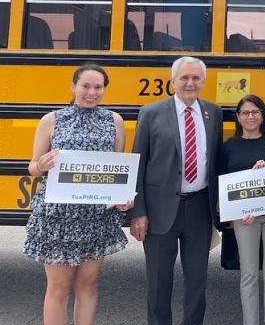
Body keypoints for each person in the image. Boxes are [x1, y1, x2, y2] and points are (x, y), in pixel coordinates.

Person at [24, 62, 132, 325]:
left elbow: (116, 167)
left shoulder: (114, 121)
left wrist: (122, 197)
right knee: (58, 287)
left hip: (96, 216)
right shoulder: (52, 120)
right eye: (86, 86)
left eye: (98, 87)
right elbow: (33, 167)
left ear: (104, 89)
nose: (91, 92)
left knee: (89, 283)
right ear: (73, 86)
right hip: (57, 216)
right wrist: (42, 165)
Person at [129, 56, 223, 325]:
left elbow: (215, 160)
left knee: (197, 283)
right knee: (159, 284)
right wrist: (139, 212)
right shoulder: (151, 113)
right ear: (173, 82)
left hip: (199, 209)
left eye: (195, 78)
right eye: (184, 78)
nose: (190, 83)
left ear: (203, 82)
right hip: (160, 211)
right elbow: (138, 163)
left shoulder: (213, 113)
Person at [216, 94, 265, 325]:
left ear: (262, 116)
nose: (250, 117)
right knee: (248, 273)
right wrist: (234, 210)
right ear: (237, 117)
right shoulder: (228, 147)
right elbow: (222, 181)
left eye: (255, 112)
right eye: (245, 113)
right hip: (244, 216)